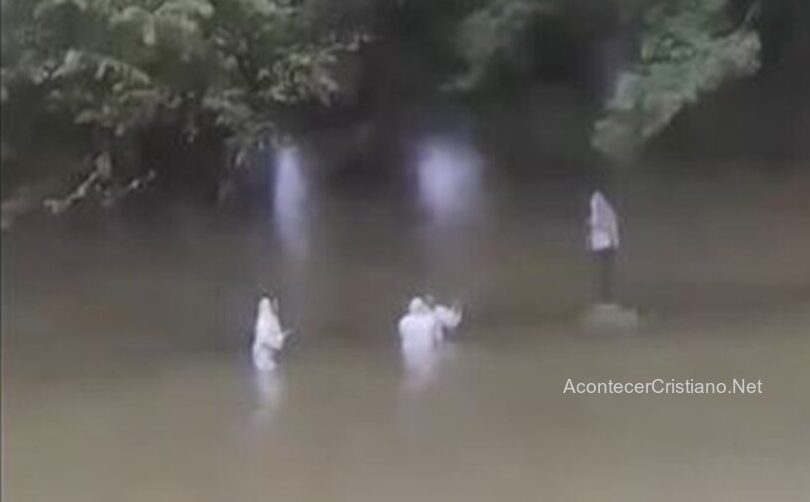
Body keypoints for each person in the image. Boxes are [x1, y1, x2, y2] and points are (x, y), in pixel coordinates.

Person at [588, 191, 620, 304]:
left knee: (605, 274)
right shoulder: (601, 213)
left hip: (606, 248)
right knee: (602, 274)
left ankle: (606, 298)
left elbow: (608, 228)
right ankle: (603, 297)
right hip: (602, 248)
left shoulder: (606, 213)